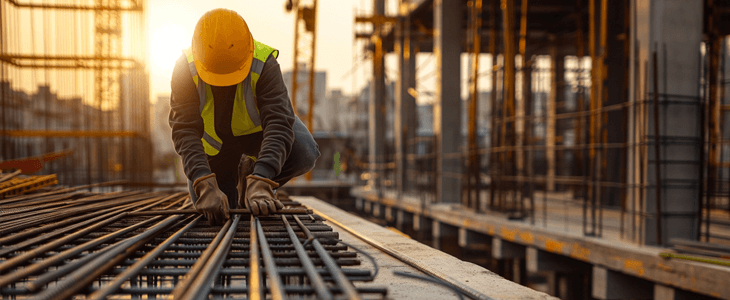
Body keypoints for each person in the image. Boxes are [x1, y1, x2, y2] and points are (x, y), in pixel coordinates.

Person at [168, 8, 320, 224]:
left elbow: (279, 122)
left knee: (304, 150)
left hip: (256, 136)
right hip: (215, 149)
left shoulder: (263, 63)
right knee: (217, 213)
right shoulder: (185, 68)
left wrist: (262, 179)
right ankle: (228, 182)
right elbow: (184, 129)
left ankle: (252, 176)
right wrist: (203, 180)